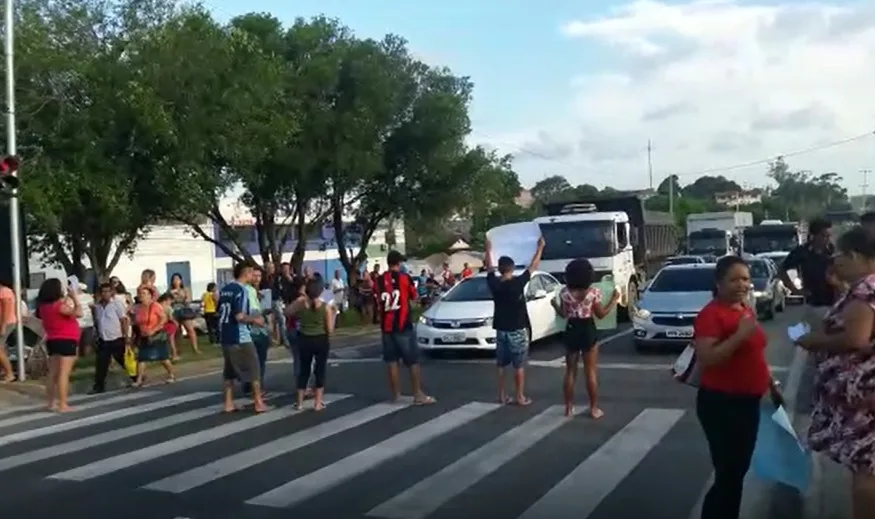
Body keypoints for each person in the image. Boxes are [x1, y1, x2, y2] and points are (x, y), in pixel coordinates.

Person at [693, 255, 783, 519]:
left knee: (737, 471)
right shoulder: (711, 315)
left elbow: (756, 354)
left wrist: (771, 384)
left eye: (745, 278)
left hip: (748, 401)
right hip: (722, 403)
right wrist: (740, 335)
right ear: (718, 283)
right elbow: (708, 358)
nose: (742, 284)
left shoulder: (744, 310)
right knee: (729, 473)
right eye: (734, 279)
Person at [794, 226, 875, 519]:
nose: (836, 260)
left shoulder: (866, 290)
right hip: (860, 397)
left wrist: (814, 341)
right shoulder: (860, 288)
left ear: (854, 255)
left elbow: (856, 339)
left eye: (840, 254)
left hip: (864, 399)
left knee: (866, 473)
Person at [552, 258, 619, 418]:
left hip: (571, 328)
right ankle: (594, 409)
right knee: (590, 372)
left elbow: (564, 314)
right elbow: (601, 315)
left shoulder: (564, 293)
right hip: (588, 328)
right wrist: (614, 300)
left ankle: (568, 407)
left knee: (570, 371)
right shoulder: (593, 293)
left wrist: (554, 305)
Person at [483, 236, 544, 406]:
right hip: (517, 328)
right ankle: (520, 396)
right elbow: (533, 267)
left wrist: (488, 249)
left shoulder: (494, 284)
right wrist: (539, 248)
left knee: (501, 365)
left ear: (500, 269)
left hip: (501, 329)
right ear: (511, 268)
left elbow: (488, 268)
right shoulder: (518, 283)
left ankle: (502, 395)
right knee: (519, 365)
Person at [375, 250, 435, 405]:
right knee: (413, 360)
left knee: (392, 361)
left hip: (387, 326)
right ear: (398, 263)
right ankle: (417, 394)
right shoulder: (404, 278)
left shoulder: (379, 280)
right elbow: (413, 296)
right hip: (403, 325)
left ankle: (396, 394)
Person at [218, 261, 268, 414]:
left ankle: (228, 403)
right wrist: (255, 320)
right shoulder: (242, 291)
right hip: (241, 335)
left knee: (229, 370)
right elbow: (239, 316)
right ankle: (258, 402)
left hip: (225, 334)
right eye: (252, 273)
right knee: (254, 369)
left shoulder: (225, 289)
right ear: (246, 273)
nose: (254, 276)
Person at [285, 279, 335, 410]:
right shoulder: (325, 307)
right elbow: (329, 329)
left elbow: (287, 312)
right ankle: (318, 403)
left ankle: (300, 403)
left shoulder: (301, 304)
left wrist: (300, 300)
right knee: (320, 370)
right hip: (321, 339)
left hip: (304, 338)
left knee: (304, 370)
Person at [35, 278, 82, 412]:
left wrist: (68, 298)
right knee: (63, 373)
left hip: (52, 339)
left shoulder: (44, 307)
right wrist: (75, 298)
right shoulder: (58, 306)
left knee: (53, 373)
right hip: (66, 339)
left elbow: (62, 310)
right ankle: (63, 404)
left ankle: (50, 403)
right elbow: (79, 313)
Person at [780, 218, 835, 328]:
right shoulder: (802, 252)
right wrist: (795, 290)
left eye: (829, 236)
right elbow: (782, 270)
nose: (827, 239)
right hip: (813, 304)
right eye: (824, 235)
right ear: (814, 235)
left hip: (835, 303)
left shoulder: (834, 251)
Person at [91, 282, 132, 393]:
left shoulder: (116, 304)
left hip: (116, 337)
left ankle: (136, 375)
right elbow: (97, 321)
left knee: (123, 360)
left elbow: (123, 320)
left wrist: (126, 335)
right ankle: (99, 386)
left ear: (112, 292)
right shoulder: (98, 306)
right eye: (103, 292)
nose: (105, 294)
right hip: (104, 339)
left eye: (107, 291)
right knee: (101, 363)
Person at [133, 287, 175, 387]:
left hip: (156, 335)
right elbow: (136, 321)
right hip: (144, 336)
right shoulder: (138, 308)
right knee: (141, 358)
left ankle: (171, 374)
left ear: (150, 295)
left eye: (144, 293)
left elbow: (163, 319)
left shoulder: (155, 306)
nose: (141, 295)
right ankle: (139, 380)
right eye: (140, 293)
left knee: (163, 358)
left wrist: (154, 329)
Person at [244, 267, 270, 395]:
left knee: (257, 359)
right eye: (254, 276)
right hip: (254, 328)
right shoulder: (248, 290)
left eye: (259, 276)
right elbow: (254, 312)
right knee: (257, 359)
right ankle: (255, 387)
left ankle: (252, 384)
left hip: (259, 328)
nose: (257, 279)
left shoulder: (260, 292)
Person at [169, 273, 200, 357]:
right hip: (175, 311)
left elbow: (188, 301)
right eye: (174, 279)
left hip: (184, 310)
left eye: (178, 279)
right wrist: (173, 295)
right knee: (177, 332)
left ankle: (195, 348)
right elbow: (169, 302)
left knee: (190, 329)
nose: (176, 281)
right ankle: (178, 350)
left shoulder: (185, 289)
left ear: (181, 280)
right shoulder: (170, 291)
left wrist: (180, 294)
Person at [0, 277, 18, 382]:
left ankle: (9, 374)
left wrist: (3, 326)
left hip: (6, 323)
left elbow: (6, 310)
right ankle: (4, 371)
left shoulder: (4, 291)